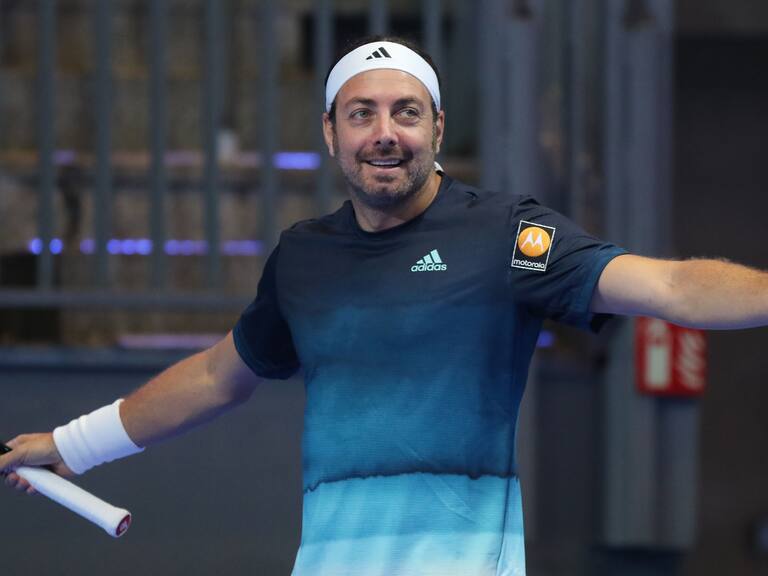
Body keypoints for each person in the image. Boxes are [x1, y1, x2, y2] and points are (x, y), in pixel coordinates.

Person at [1, 35, 767, 575]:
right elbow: (215, 376)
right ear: (331, 133)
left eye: (406, 111)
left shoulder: (505, 232)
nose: (385, 133)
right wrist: (71, 444)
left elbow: (668, 287)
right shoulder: (303, 256)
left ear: (437, 126)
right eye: (361, 113)